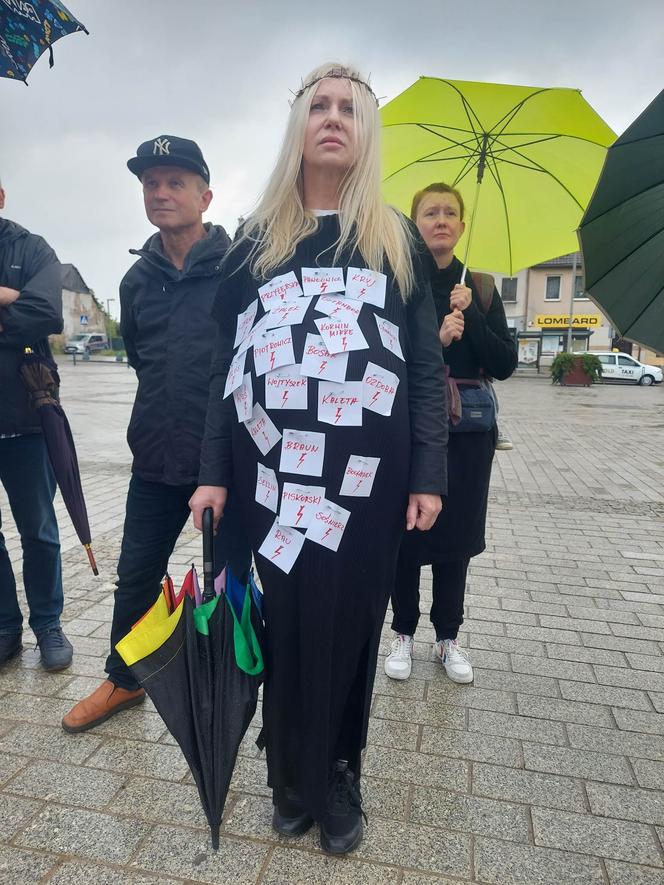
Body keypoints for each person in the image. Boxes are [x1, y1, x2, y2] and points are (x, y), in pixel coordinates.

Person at [189, 63, 447, 855]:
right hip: (279, 483)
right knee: (294, 619)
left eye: (349, 109)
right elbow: (224, 375)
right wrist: (213, 470)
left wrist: (429, 470)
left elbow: (426, 371)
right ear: (298, 126)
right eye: (319, 107)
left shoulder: (394, 239)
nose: (333, 119)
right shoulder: (255, 245)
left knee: (355, 624)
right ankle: (288, 772)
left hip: (370, 484)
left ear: (366, 133)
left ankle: (338, 766)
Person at [62, 136, 252, 733]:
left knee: (234, 579)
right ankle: (125, 678)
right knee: (138, 572)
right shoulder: (135, 280)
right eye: (151, 183)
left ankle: (240, 682)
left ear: (205, 195)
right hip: (156, 455)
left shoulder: (239, 269)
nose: (161, 193)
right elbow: (143, 357)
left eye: (175, 182)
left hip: (227, 460)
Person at [384, 182, 517, 684]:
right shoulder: (399, 285)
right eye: (429, 213)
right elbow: (382, 364)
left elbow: (504, 364)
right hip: (412, 428)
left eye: (449, 213)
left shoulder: (479, 288)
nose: (440, 220)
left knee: (456, 538)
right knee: (407, 533)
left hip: (467, 435)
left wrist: (475, 319)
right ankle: (402, 633)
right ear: (413, 224)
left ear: (462, 225)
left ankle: (447, 638)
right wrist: (434, 343)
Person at [0, 178, 73, 672]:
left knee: (40, 531)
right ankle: (5, 626)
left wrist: (20, 302)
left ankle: (48, 623)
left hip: (25, 416)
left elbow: (46, 311)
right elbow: (23, 312)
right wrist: (8, 301)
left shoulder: (30, 248)